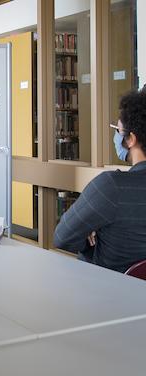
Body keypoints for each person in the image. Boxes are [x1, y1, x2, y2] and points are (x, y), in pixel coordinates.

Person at [54, 88, 146, 273]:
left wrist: (93, 238)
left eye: (119, 130)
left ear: (131, 139)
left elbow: (62, 237)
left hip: (109, 293)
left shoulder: (111, 187)